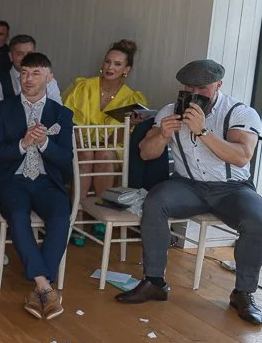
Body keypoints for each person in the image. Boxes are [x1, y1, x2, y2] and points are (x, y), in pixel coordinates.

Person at [116, 60, 262, 324]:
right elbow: (146, 154)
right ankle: (154, 281)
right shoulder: (170, 111)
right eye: (189, 87)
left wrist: (203, 131)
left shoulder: (241, 113)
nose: (195, 93)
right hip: (188, 184)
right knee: (155, 201)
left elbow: (242, 156)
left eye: (202, 88)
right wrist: (161, 135)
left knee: (258, 219)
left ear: (218, 85)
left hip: (232, 188)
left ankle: (243, 293)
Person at [0, 53, 74, 320]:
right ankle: (45, 286)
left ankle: (39, 287)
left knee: (61, 216)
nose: (29, 79)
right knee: (19, 216)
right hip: (13, 180)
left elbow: (66, 158)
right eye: (24, 73)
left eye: (36, 73)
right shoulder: (2, 109)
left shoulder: (62, 114)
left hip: (47, 181)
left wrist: (45, 143)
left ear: (49, 77)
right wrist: (23, 144)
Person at [62, 40, 148, 199]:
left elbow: (116, 140)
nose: (110, 67)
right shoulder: (83, 87)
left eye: (117, 64)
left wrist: (129, 125)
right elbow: (64, 119)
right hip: (79, 144)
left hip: (111, 148)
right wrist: (82, 143)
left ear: (126, 69)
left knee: (105, 154)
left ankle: (101, 215)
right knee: (86, 154)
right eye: (107, 62)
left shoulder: (131, 99)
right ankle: (78, 213)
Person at [0, 34, 62, 115]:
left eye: (30, 53)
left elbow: (58, 113)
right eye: (20, 54)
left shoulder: (49, 81)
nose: (26, 58)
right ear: (10, 56)